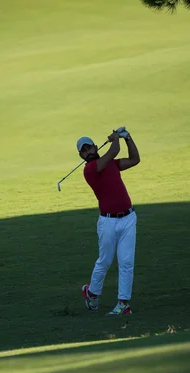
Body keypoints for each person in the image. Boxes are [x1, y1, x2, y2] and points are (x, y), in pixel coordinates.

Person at [77, 127, 140, 315]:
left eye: (90, 148)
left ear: (96, 147)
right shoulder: (90, 169)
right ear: (81, 155)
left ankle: (123, 304)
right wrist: (115, 138)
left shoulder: (111, 164)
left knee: (127, 262)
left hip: (128, 218)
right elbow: (114, 150)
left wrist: (127, 138)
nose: (88, 152)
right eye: (84, 150)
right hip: (108, 222)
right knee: (105, 260)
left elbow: (135, 159)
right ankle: (92, 294)